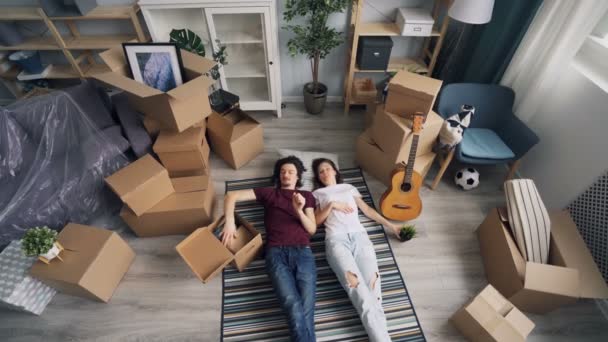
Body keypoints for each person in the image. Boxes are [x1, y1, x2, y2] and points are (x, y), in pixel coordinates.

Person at [221, 156, 317, 342]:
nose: (286, 175)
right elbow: (231, 196)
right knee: (293, 306)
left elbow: (312, 229)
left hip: (303, 252)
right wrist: (230, 222)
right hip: (276, 253)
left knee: (306, 311)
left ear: (298, 177)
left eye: (290, 172)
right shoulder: (269, 194)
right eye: (282, 172)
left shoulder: (307, 196)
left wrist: (298, 210)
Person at [312, 158, 401, 342]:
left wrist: (391, 226)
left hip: (361, 239)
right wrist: (331, 205)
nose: (325, 172)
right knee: (360, 294)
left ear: (335, 171)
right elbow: (316, 222)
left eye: (328, 168)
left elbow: (367, 210)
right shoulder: (317, 194)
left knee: (375, 296)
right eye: (321, 171)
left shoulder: (349, 188)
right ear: (318, 177)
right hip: (336, 241)